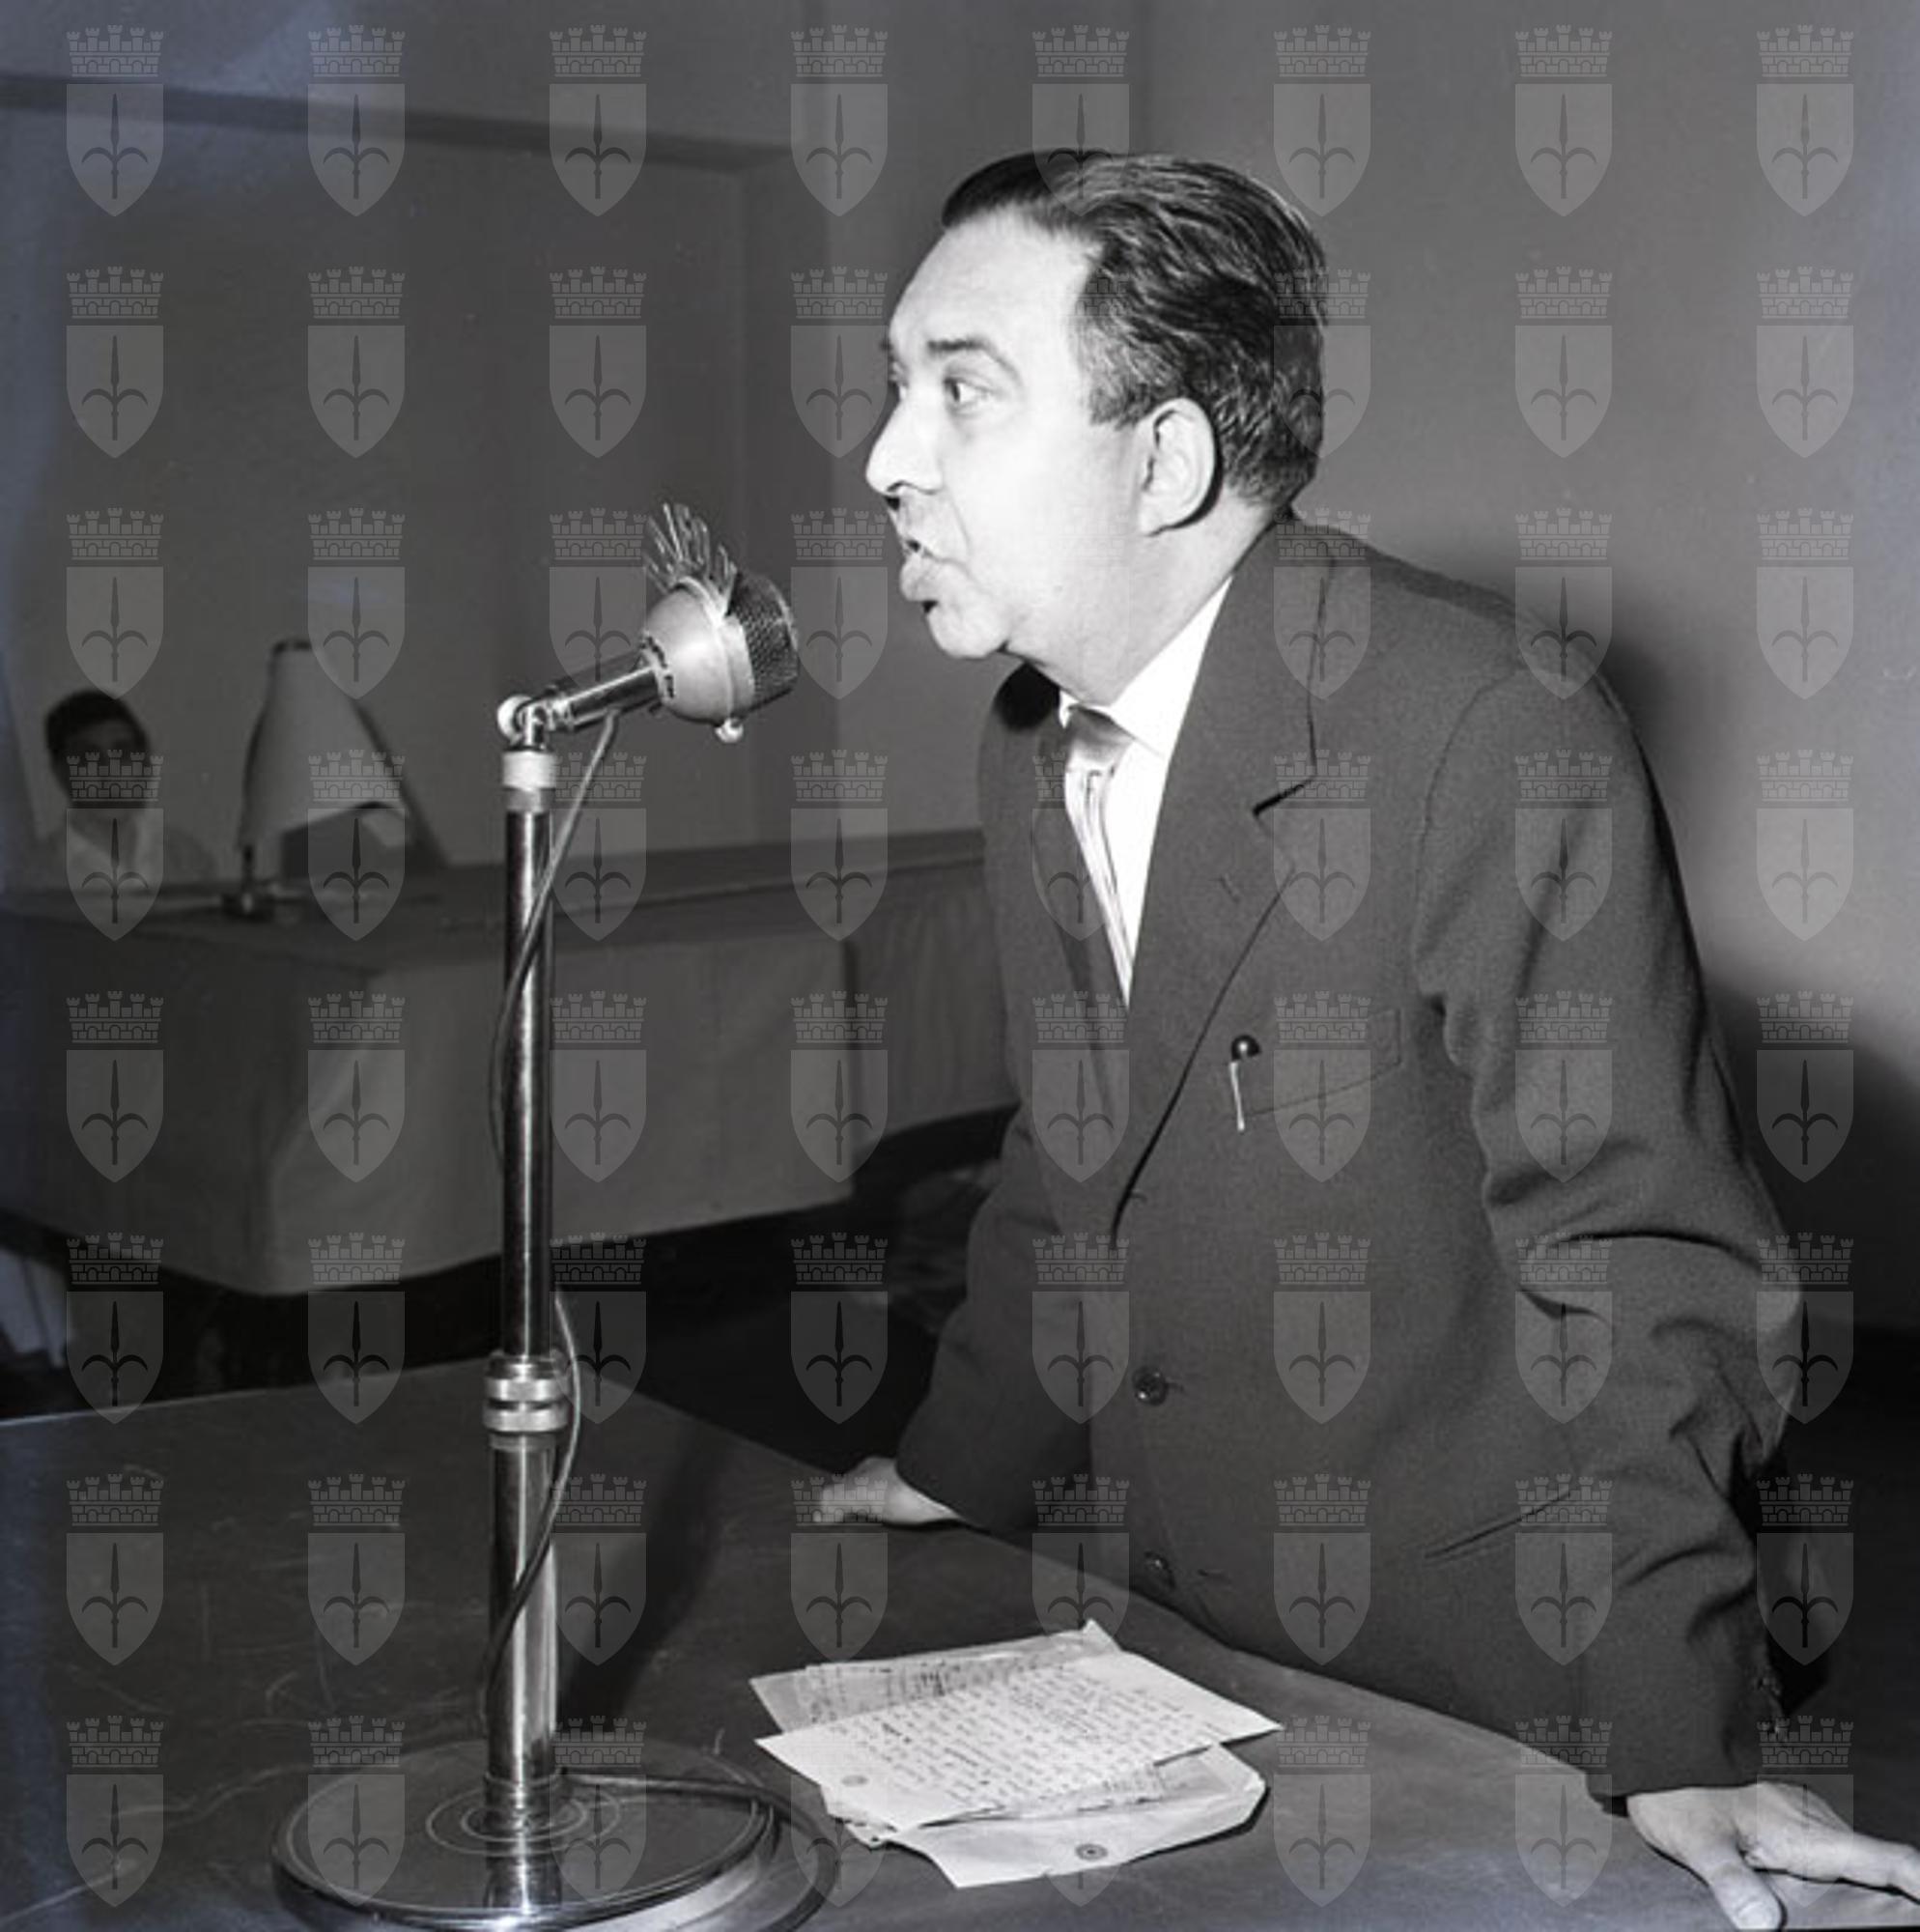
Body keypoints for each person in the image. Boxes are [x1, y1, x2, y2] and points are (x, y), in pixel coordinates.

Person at [821, 153, 1920, 1927]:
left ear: (1163, 460)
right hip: (1185, 1642)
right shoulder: (1029, 734)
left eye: (960, 389)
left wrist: (1675, 1728)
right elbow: (1075, 1156)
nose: (887, 456)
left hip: (1500, 1676)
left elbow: (1642, 1254)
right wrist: (960, 1465)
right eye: (895, 387)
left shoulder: (1487, 725)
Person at [7, 690, 218, 897]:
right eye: (88, 758)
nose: (109, 773)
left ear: (145, 763)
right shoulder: (34, 880)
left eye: (124, 754)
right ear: (61, 772)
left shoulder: (189, 860)